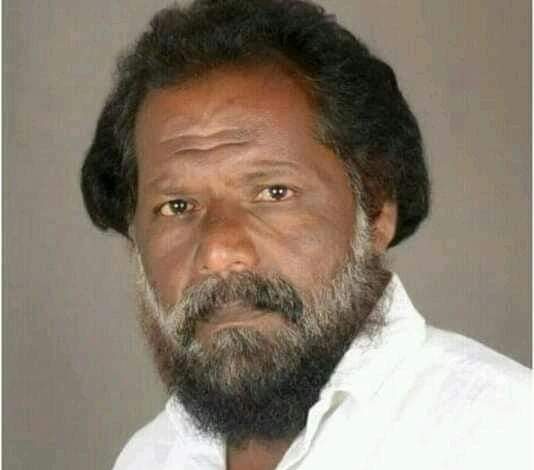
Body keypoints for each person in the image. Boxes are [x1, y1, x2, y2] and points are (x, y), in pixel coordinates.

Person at [80, 1, 530, 469]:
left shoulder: (506, 434)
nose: (219, 250)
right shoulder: (150, 457)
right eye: (177, 206)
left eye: (274, 192)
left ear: (376, 212)